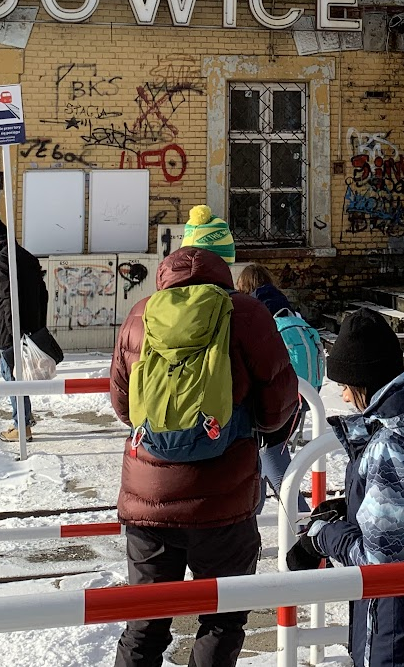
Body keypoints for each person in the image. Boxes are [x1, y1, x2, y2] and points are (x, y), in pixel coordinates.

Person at [109, 244, 298, 667]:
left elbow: (123, 407)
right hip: (223, 499)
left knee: (145, 622)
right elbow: (279, 404)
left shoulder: (140, 313)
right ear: (222, 272)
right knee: (223, 619)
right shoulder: (245, 313)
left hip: (149, 498)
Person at [299, 308, 404, 667]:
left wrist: (324, 535)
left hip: (399, 635)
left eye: (346, 386)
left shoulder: (390, 446)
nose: (344, 397)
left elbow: (380, 564)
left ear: (366, 382)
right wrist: (355, 506)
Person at [236, 263, 309, 513]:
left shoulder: (254, 313)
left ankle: (306, 531)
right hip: (295, 396)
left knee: (273, 463)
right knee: (264, 464)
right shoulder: (289, 309)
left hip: (266, 402)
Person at [0, 219, 59, 443]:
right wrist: (36, 324)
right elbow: (42, 294)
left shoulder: (1, 259)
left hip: (10, 331)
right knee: (17, 376)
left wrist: (11, 328)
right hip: (27, 326)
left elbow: (8, 296)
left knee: (12, 377)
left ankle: (22, 426)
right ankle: (23, 419)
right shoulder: (26, 256)